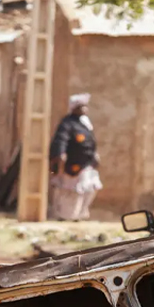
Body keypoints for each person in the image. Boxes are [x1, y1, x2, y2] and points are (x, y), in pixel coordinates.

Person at [49, 93, 102, 221]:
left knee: (89, 188)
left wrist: (95, 155)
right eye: (81, 107)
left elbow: (90, 141)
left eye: (85, 106)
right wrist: (60, 154)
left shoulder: (85, 123)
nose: (84, 109)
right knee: (71, 192)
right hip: (73, 164)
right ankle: (66, 216)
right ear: (74, 108)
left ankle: (80, 215)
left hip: (86, 164)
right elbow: (61, 139)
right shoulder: (67, 123)